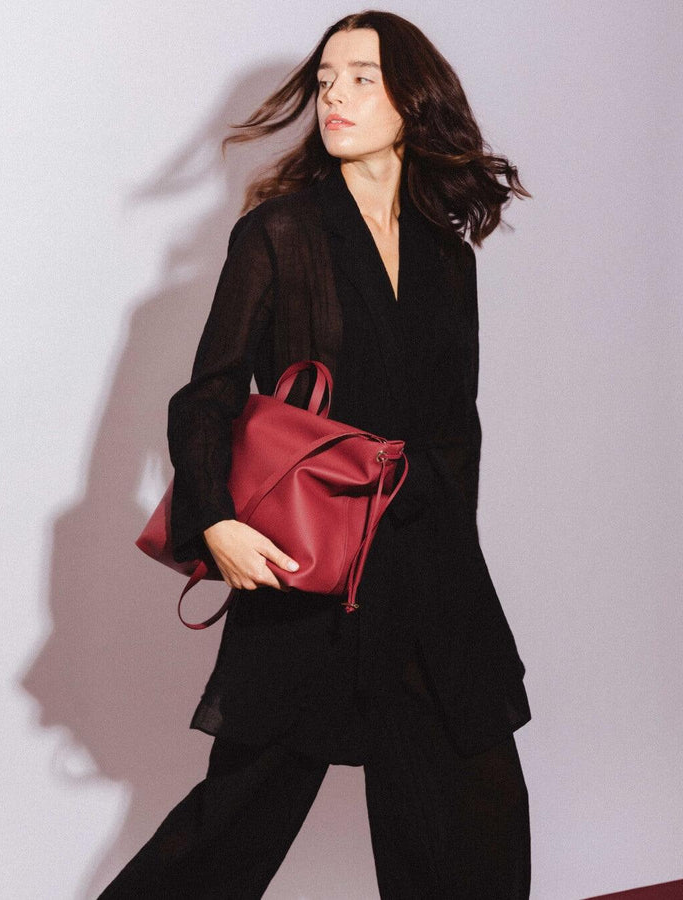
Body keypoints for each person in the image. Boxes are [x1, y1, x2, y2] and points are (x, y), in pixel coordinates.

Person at [100, 10, 533, 899]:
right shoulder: (281, 233)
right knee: (234, 824)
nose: (335, 96)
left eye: (362, 78)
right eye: (327, 80)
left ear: (412, 100)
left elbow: (457, 426)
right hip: (313, 566)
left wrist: (456, 558)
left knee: (474, 820)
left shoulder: (448, 255)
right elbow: (210, 393)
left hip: (430, 570)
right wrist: (215, 519)